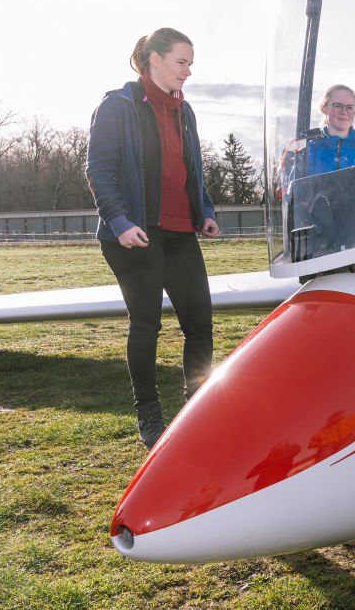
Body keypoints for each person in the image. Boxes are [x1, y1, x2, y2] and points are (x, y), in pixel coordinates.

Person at [87, 28, 219, 450]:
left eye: (190, 63)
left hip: (181, 232)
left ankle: (196, 408)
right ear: (154, 59)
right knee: (146, 323)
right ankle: (148, 413)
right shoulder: (117, 106)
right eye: (182, 61)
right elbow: (98, 171)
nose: (188, 71)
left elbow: (193, 169)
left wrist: (207, 212)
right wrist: (120, 222)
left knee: (199, 324)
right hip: (135, 234)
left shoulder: (185, 111)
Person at [282, 84, 355, 183]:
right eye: (338, 106)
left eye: (350, 107)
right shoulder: (305, 157)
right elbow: (292, 199)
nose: (344, 112)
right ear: (324, 108)